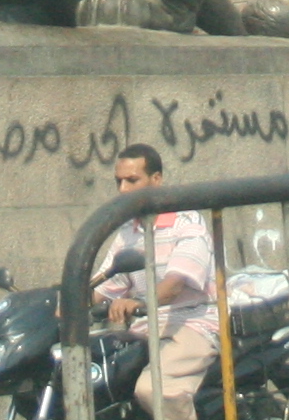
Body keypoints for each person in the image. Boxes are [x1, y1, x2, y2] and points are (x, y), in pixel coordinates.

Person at [93, 144, 220, 414]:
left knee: (154, 389)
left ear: (157, 180)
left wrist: (135, 302)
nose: (123, 190)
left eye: (132, 180)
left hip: (192, 324)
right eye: (118, 182)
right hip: (146, 331)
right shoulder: (128, 231)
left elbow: (173, 287)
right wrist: (65, 300)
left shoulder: (187, 223)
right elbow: (103, 287)